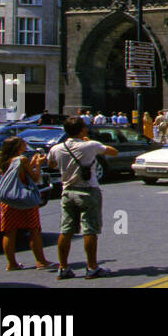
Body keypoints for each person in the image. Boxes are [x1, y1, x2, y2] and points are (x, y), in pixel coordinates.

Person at [47, 115, 118, 280]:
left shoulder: (57, 148)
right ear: (82, 130)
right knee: (90, 230)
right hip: (88, 190)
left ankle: (63, 268)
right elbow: (113, 152)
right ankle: (92, 267)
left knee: (66, 230)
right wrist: (88, 141)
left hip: (67, 191)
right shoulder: (90, 145)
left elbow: (51, 164)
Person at [0, 137, 51, 271]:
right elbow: (34, 177)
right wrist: (37, 164)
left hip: (9, 200)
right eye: (23, 143)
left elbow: (19, 173)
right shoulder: (22, 159)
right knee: (34, 230)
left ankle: (11, 263)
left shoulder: (4, 161)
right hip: (24, 199)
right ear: (17, 146)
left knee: (9, 231)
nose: (26, 144)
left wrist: (31, 163)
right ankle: (41, 261)